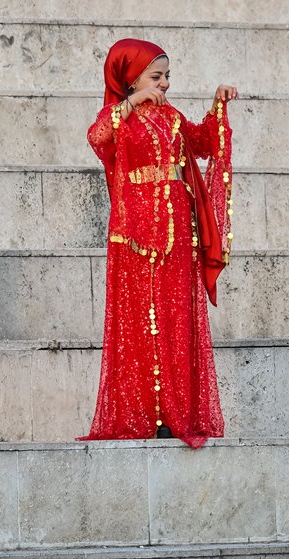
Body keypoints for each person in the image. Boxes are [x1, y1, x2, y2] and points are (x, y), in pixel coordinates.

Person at [80, 39, 237, 448]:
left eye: (167, 76)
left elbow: (204, 143)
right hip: (135, 235)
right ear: (133, 80)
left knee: (175, 320)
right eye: (156, 76)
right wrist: (132, 104)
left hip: (177, 234)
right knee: (139, 323)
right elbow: (97, 138)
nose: (165, 83)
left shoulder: (172, 118)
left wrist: (218, 105)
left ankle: (174, 412)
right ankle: (142, 414)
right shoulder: (119, 117)